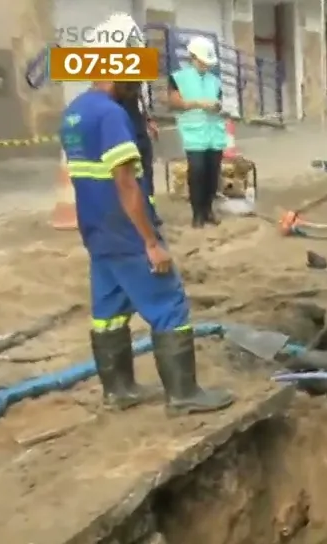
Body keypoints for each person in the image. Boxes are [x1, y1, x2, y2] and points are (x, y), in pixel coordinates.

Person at [60, 14, 234, 416]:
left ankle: (118, 390)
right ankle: (184, 394)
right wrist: (151, 242)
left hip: (97, 231)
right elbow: (125, 184)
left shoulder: (74, 112)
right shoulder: (110, 115)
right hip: (126, 229)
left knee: (108, 309)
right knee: (168, 302)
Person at [168, 37, 227, 228]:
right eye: (202, 61)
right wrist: (198, 103)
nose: (205, 66)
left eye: (207, 63)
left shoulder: (215, 81)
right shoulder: (179, 78)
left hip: (214, 134)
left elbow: (220, 104)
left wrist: (217, 107)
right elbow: (174, 103)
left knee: (212, 174)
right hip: (194, 135)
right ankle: (197, 214)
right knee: (197, 173)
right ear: (192, 58)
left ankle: (208, 209)